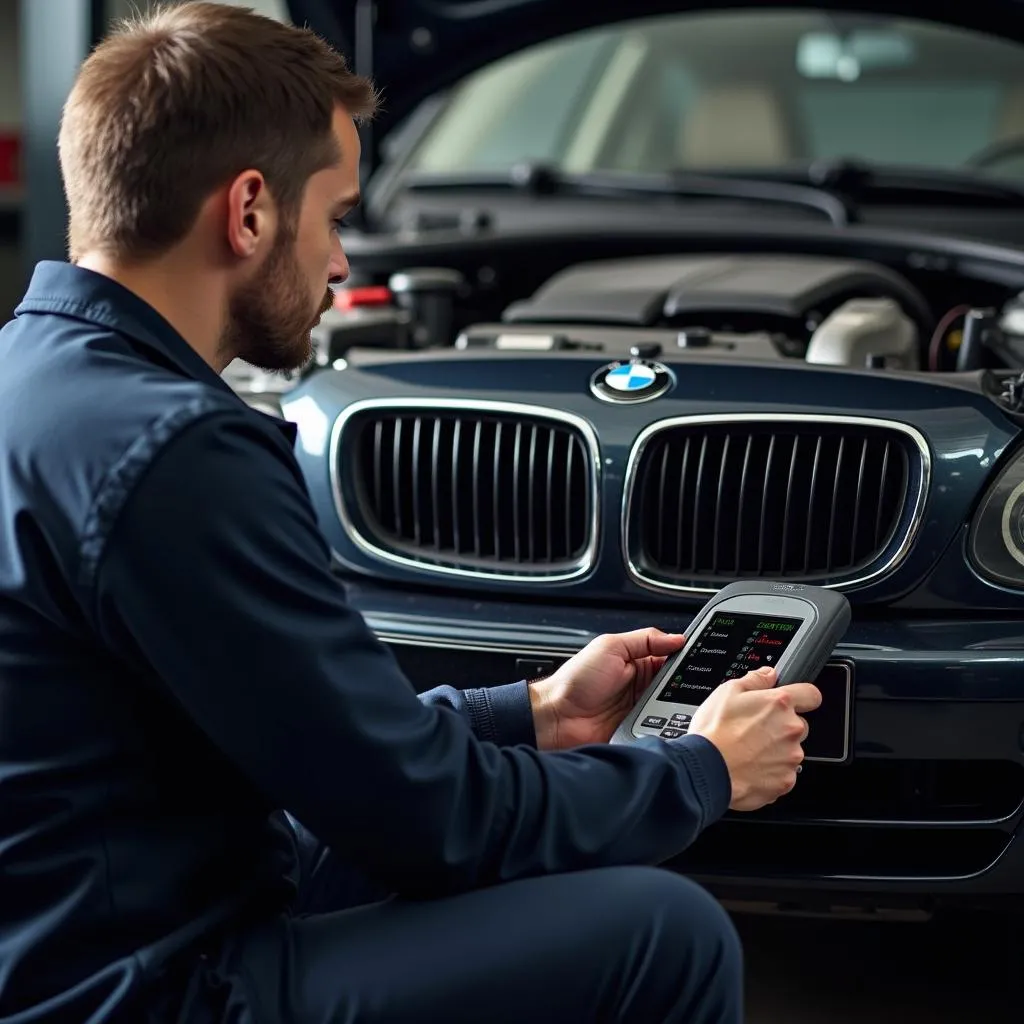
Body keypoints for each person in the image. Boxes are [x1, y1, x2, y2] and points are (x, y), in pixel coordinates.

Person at [0, 3, 822, 1022]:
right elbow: (426, 819)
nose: (344, 265)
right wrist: (696, 770)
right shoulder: (178, 452)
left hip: (83, 918)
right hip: (141, 985)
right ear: (249, 210)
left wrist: (533, 714)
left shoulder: (29, 378)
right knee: (666, 932)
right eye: (337, 216)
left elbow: (332, 747)